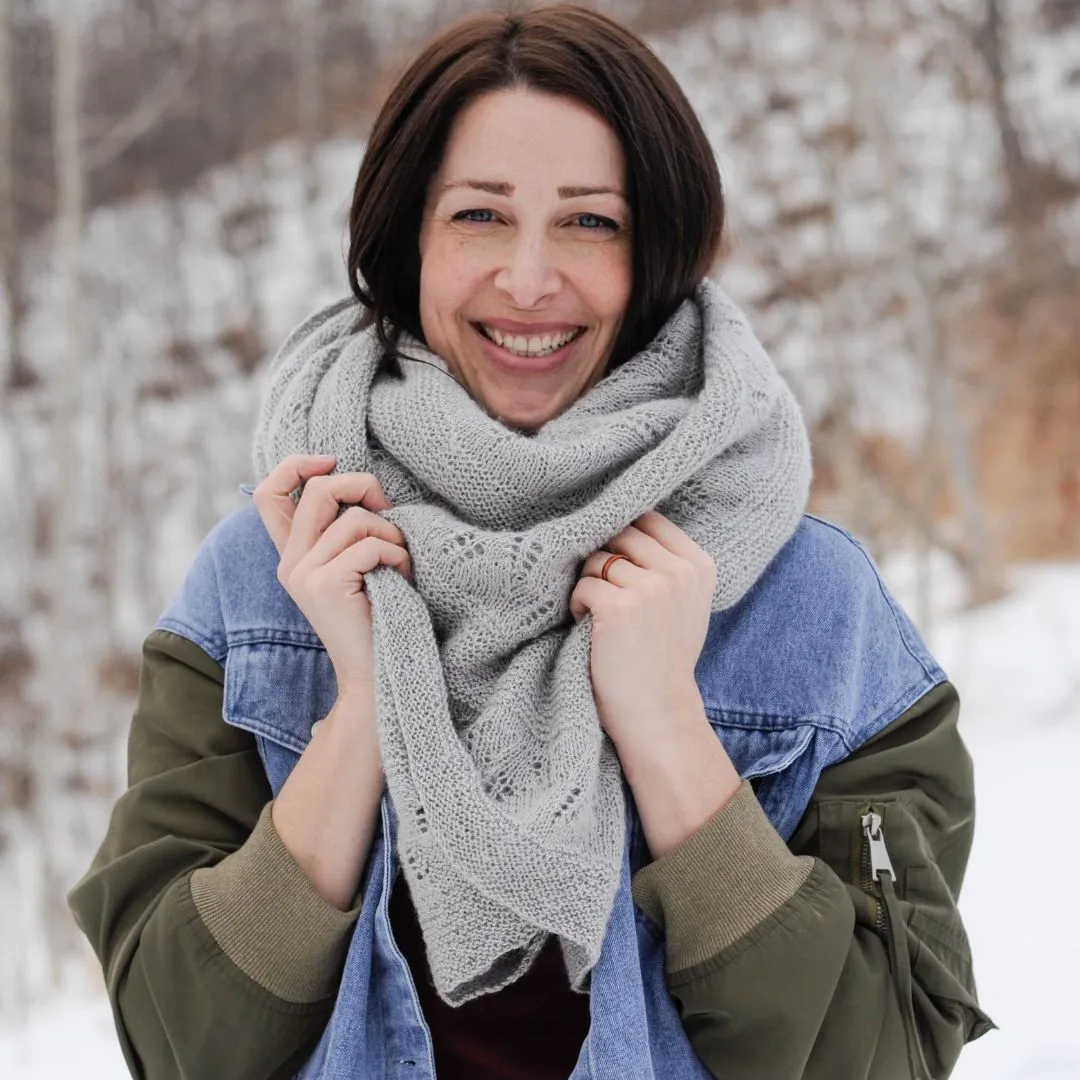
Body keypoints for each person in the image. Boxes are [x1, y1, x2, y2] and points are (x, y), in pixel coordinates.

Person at [68, 5, 994, 1079]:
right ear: (405, 237)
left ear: (658, 250)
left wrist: (668, 732)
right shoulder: (264, 580)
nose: (528, 281)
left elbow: (887, 1057)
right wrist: (369, 703)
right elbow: (176, 1044)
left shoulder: (816, 606)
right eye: (479, 217)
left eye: (592, 222)